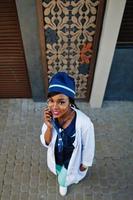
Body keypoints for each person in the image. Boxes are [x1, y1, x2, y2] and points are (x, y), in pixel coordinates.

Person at [40, 72, 95, 196]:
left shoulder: (84, 123)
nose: (54, 107)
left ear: (70, 101)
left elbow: (89, 145)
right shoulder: (51, 118)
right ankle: (64, 178)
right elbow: (46, 143)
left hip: (71, 160)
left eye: (61, 102)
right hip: (57, 157)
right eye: (51, 101)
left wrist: (85, 163)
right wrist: (49, 127)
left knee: (64, 177)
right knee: (59, 171)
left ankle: (63, 183)